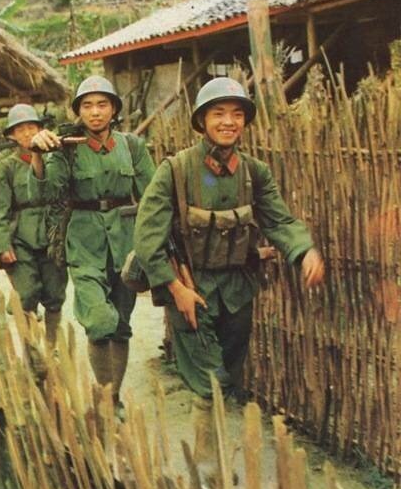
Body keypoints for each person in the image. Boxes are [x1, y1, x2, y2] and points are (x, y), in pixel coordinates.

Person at [132, 77, 325, 465]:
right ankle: (206, 465)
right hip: (190, 287)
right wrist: (176, 289)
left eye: (237, 114)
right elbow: (147, 239)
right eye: (218, 113)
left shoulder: (254, 172)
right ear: (202, 121)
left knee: (229, 378)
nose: (228, 122)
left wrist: (303, 251)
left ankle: (212, 456)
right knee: (210, 379)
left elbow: (279, 220)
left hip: (238, 289)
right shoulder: (176, 170)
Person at [29, 76, 155, 410]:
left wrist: (150, 245)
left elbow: (153, 197)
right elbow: (46, 192)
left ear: (114, 109)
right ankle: (104, 395)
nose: (95, 112)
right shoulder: (66, 147)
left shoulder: (132, 146)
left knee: (122, 325)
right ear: (78, 111)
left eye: (102, 104)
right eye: (87, 105)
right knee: (99, 322)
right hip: (84, 242)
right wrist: (39, 155)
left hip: (126, 241)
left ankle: (113, 398)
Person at [0, 103, 67, 346]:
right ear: (12, 135)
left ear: (40, 129)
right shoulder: (7, 166)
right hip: (21, 239)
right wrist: (2, 245)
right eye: (20, 129)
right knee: (26, 294)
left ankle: (51, 346)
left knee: (55, 294)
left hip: (52, 235)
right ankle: (31, 348)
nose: (27, 133)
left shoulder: (54, 159)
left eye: (31, 127)